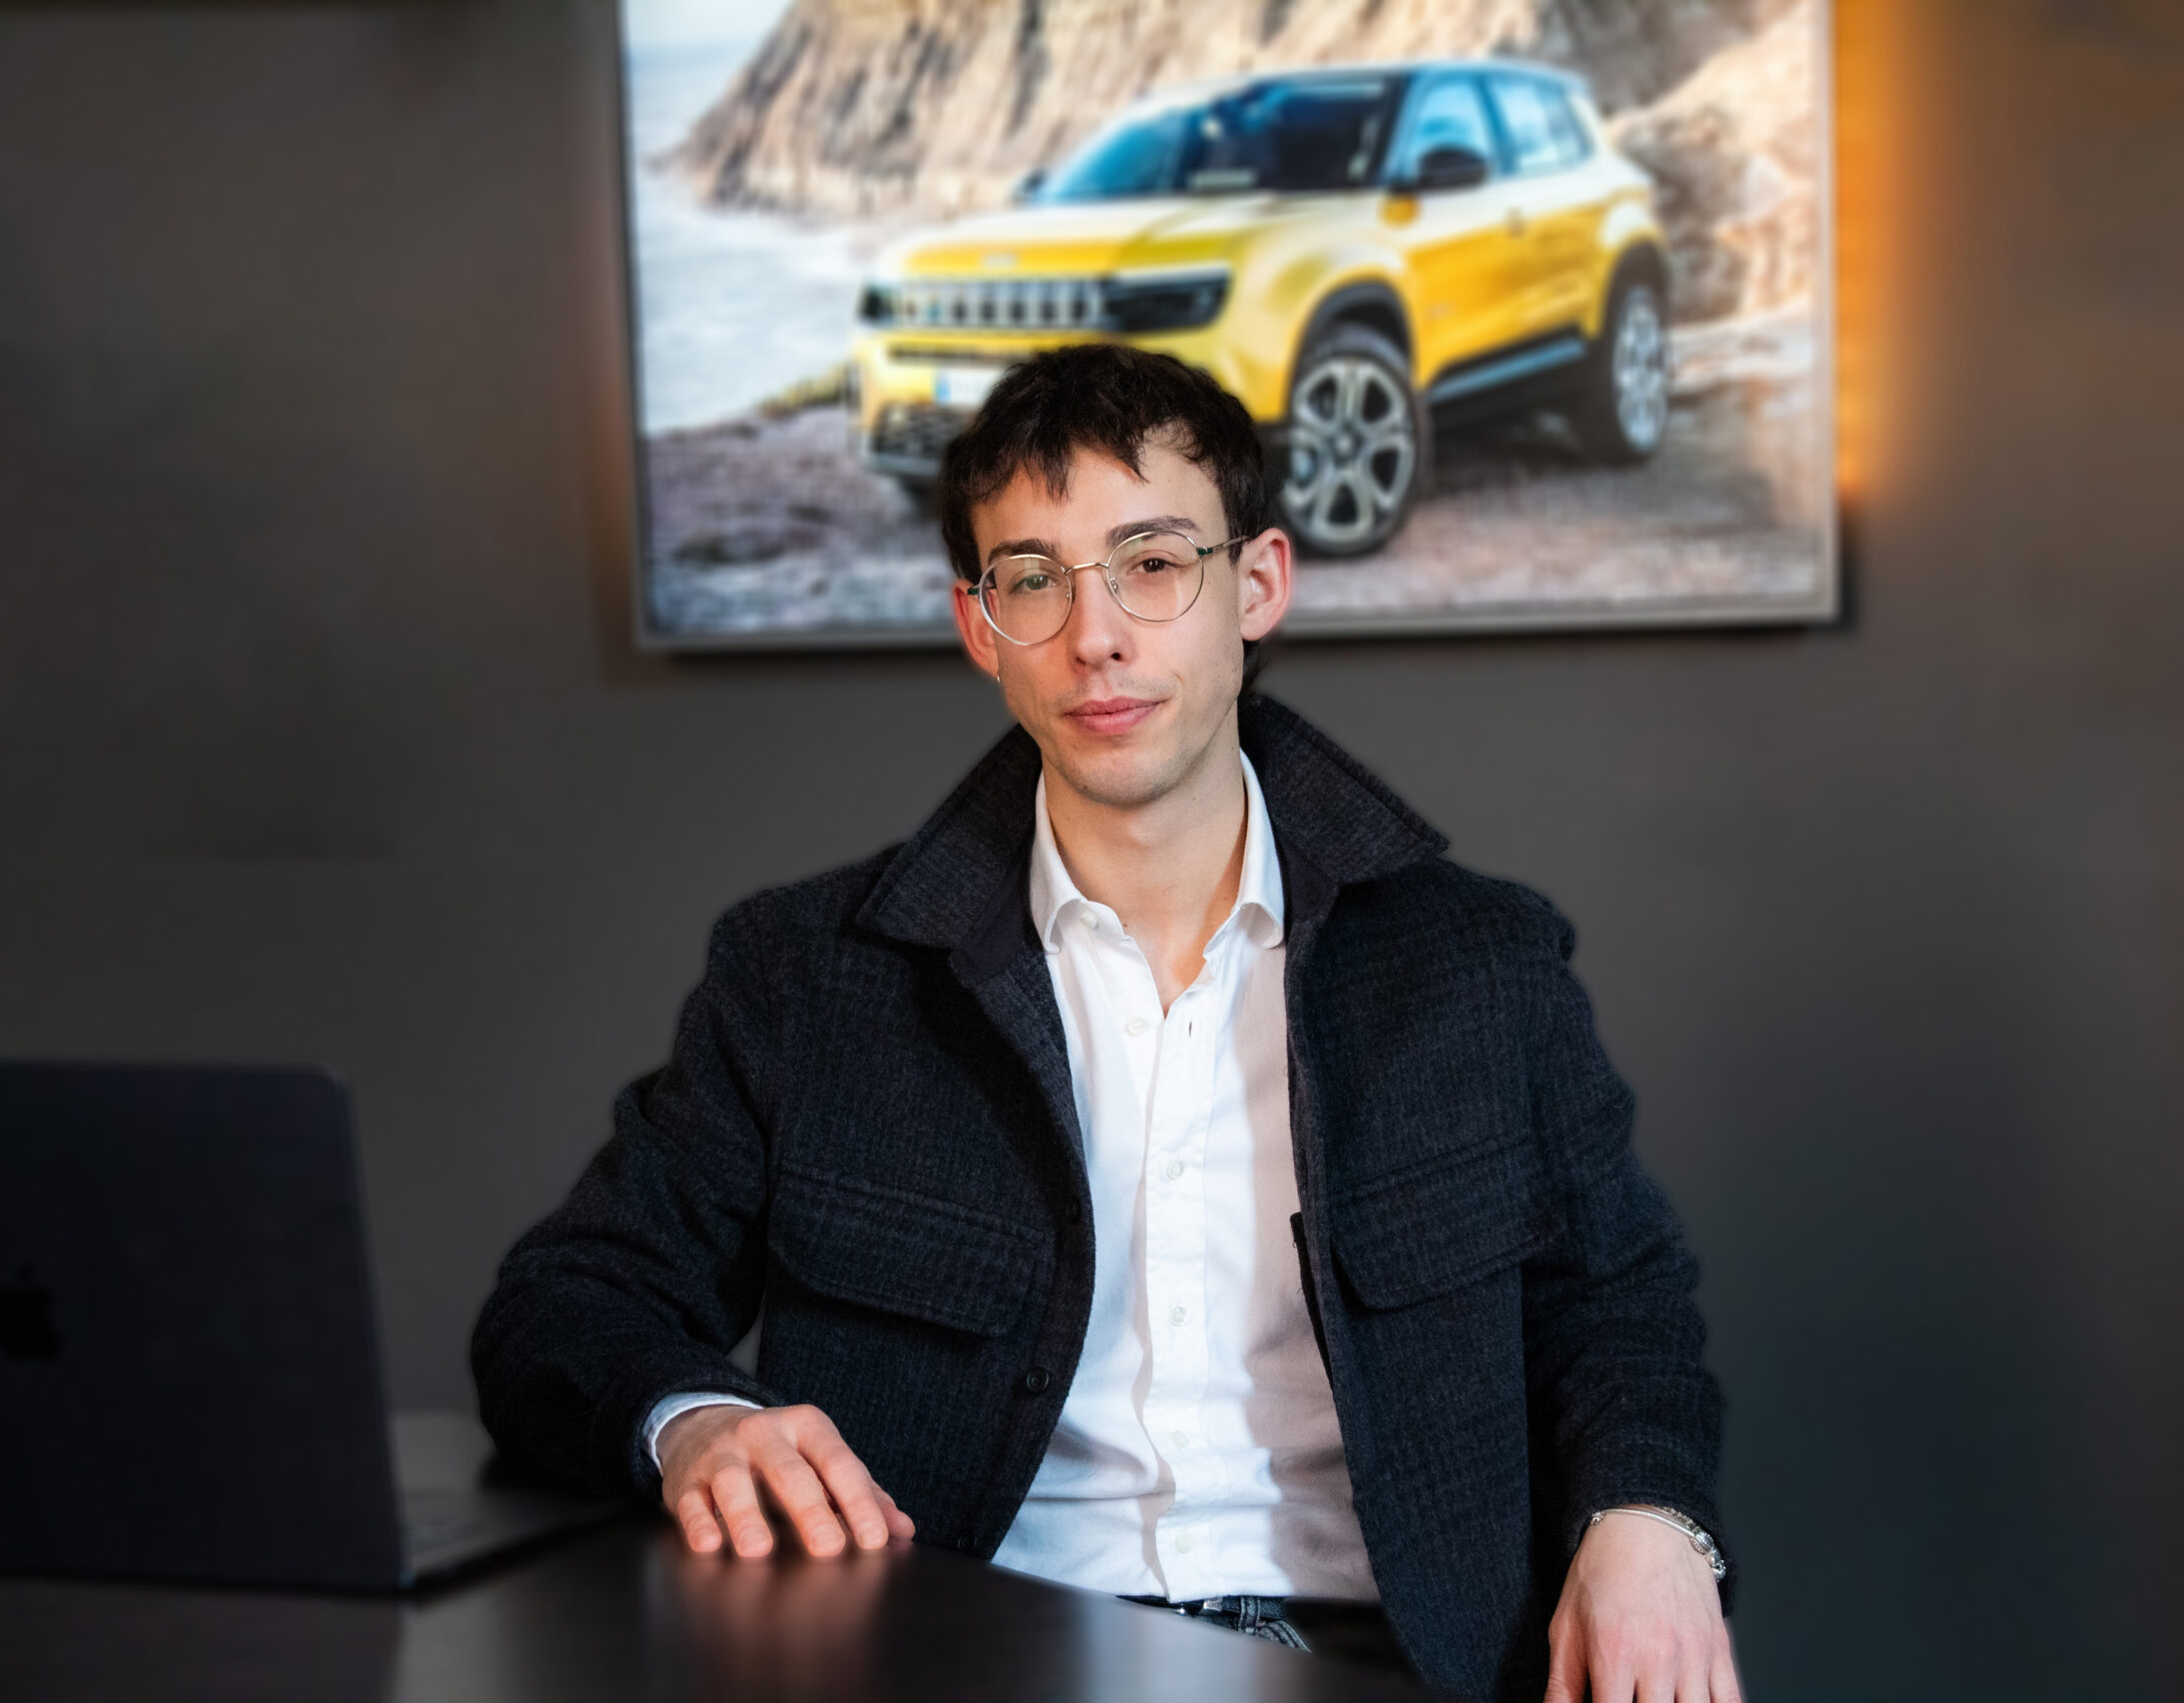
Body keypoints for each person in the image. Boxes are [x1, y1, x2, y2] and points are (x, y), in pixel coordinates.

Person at [473, 344, 1739, 1701]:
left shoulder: (1476, 963)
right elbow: (566, 1304)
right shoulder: (805, 978)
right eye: (1034, 580)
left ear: (1256, 586)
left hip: (1381, 1653)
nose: (1096, 637)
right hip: (966, 1648)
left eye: (1152, 562)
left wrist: (1649, 1520)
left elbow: (1622, 1311)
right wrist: (697, 1425)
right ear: (981, 629)